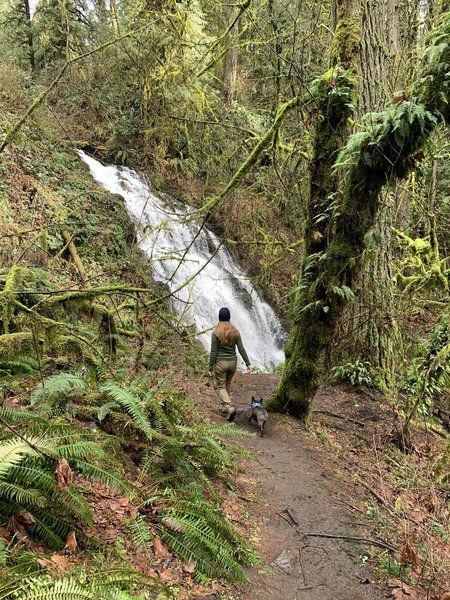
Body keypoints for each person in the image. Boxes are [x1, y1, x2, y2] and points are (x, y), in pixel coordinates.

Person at [208, 307, 252, 418]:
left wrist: (210, 367)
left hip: (221, 364)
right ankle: (225, 408)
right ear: (229, 318)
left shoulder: (216, 333)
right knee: (227, 384)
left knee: (220, 386)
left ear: (219, 318)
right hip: (232, 363)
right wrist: (248, 363)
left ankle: (229, 406)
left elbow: (213, 352)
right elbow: (241, 349)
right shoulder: (235, 332)